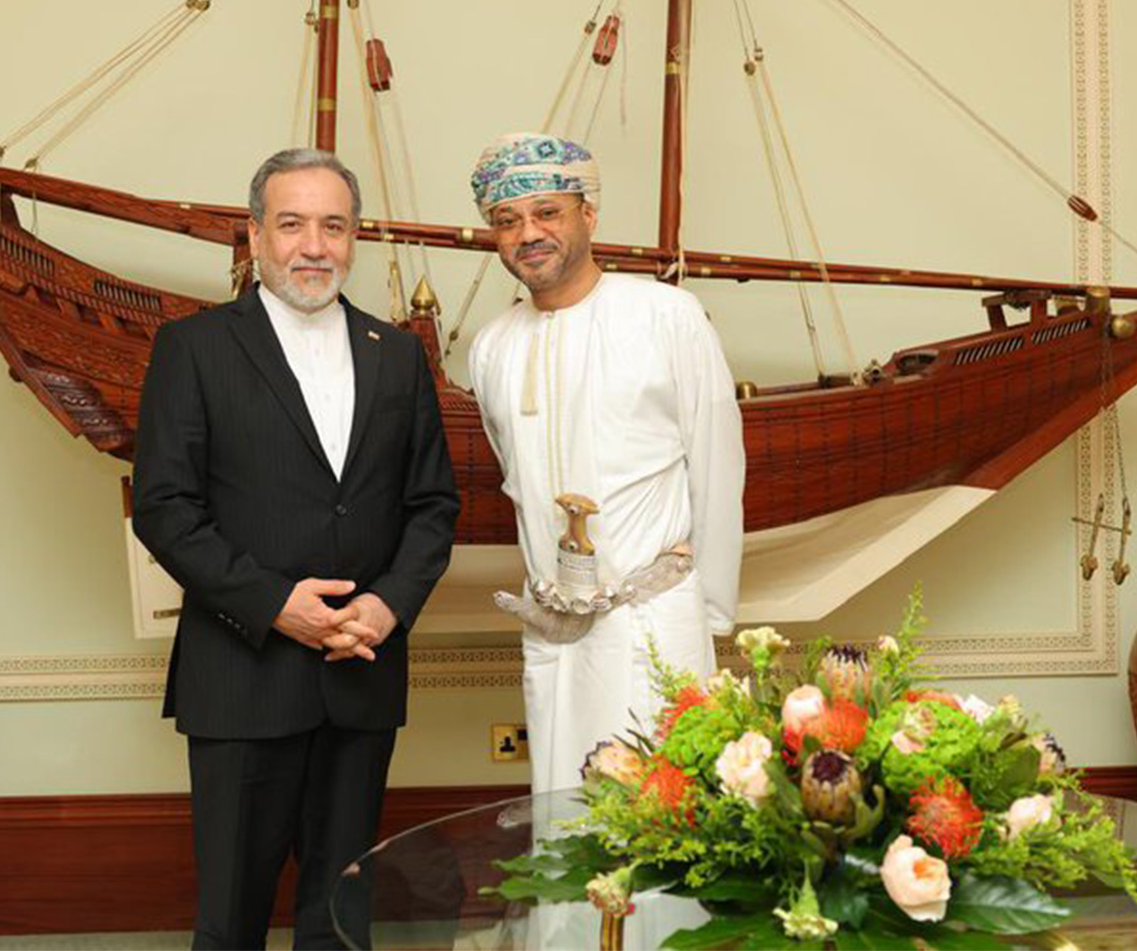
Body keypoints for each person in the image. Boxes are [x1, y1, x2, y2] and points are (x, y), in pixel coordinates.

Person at [133, 147, 459, 950]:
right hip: (241, 679)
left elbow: (432, 504)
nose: (314, 245)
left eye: (334, 226)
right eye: (292, 224)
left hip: (362, 674)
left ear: (353, 239)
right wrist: (277, 607)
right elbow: (164, 509)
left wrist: (386, 607)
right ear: (253, 236)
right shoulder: (194, 349)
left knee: (341, 919)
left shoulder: (400, 355)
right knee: (232, 922)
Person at [467, 132, 746, 795]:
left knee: (665, 825)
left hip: (658, 624)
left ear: (588, 214)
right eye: (508, 221)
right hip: (554, 631)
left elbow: (717, 467)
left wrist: (706, 618)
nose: (527, 233)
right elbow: (516, 475)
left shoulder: (666, 315)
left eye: (547, 213)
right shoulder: (491, 347)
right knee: (564, 823)